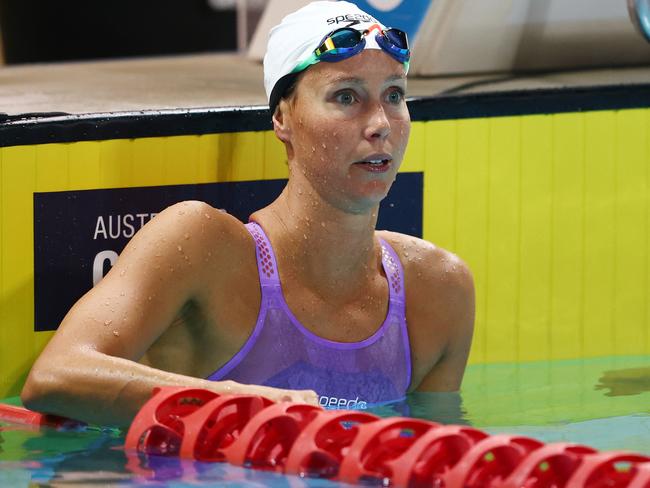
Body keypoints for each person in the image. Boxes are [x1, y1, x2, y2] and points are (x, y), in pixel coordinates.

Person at [21, 1, 474, 427]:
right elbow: (58, 375)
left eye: (394, 94)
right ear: (283, 119)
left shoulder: (438, 291)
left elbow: (434, 460)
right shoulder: (204, 247)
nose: (379, 124)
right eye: (346, 97)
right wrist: (239, 404)